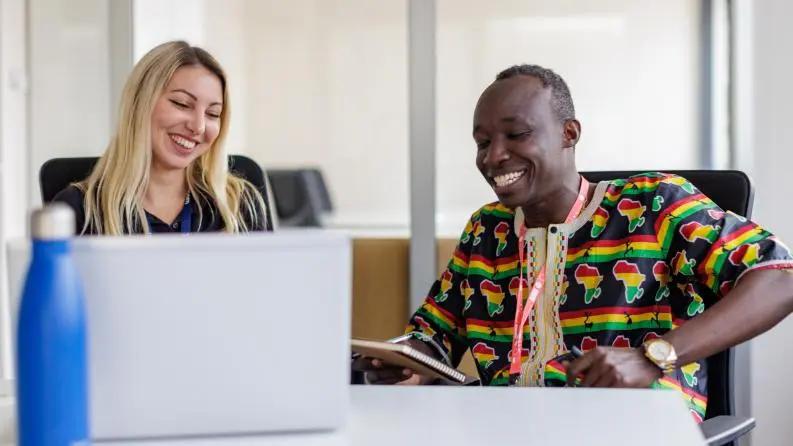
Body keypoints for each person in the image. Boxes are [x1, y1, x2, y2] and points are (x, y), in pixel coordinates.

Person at [355, 64, 793, 421]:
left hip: (631, 428)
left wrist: (653, 356)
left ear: (569, 133)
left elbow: (779, 277)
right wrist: (407, 360)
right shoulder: (486, 229)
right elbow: (433, 337)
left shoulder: (653, 204)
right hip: (504, 428)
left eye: (516, 134)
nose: (492, 157)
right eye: (483, 142)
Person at [54, 41, 271, 235]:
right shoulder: (78, 211)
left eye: (213, 114)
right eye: (181, 104)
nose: (198, 126)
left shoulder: (238, 206)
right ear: (140, 103)